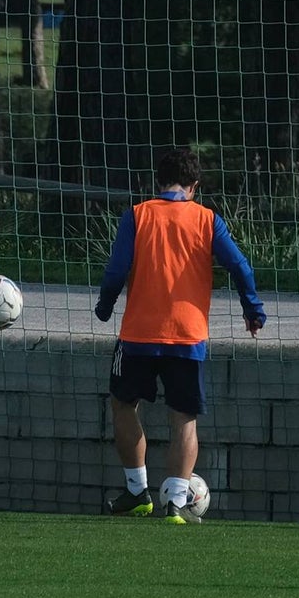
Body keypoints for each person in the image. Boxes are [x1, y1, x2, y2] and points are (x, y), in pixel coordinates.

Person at [94, 148, 266, 524]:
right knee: (183, 420)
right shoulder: (207, 219)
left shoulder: (137, 216)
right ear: (194, 186)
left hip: (138, 335)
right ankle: (174, 503)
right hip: (188, 337)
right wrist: (252, 310)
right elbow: (239, 266)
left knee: (123, 405)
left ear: (158, 181)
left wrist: (105, 305)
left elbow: (116, 269)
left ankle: (137, 492)